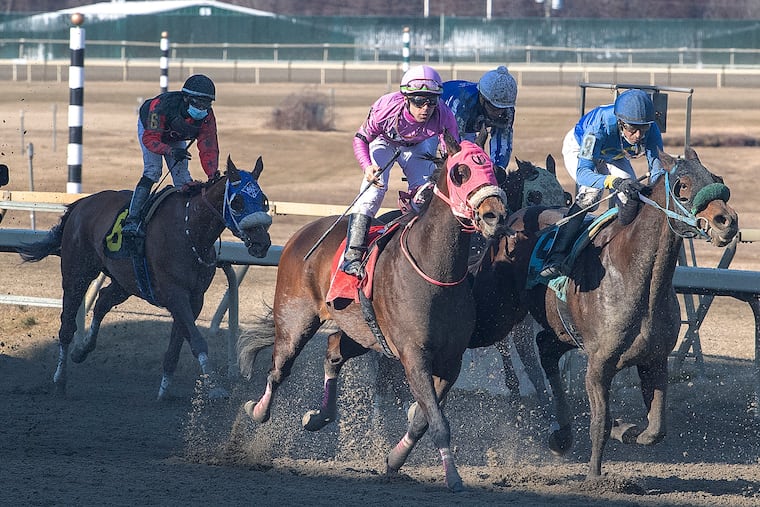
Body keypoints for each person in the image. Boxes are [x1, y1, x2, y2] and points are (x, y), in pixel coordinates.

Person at [340, 64, 460, 276]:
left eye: (431, 101)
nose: (425, 108)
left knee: (426, 194)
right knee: (374, 192)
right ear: (406, 98)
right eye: (418, 101)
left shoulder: (444, 115)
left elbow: (453, 152)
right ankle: (352, 255)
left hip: (419, 146)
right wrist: (368, 167)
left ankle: (416, 244)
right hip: (383, 142)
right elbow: (360, 139)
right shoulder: (386, 108)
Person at [540, 88, 665, 278]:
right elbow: (584, 173)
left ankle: (627, 250)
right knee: (591, 195)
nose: (639, 135)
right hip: (580, 149)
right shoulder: (597, 128)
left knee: (631, 193)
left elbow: (657, 170)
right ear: (621, 122)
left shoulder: (651, 128)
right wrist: (612, 181)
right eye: (632, 128)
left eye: (644, 128)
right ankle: (556, 256)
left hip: (613, 154)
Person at [122, 74, 220, 239]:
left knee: (183, 179)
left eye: (207, 103)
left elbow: (209, 148)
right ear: (186, 99)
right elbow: (150, 139)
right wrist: (171, 151)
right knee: (153, 171)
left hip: (175, 135)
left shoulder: (207, 117)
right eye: (198, 103)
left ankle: (185, 221)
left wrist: (212, 175)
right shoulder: (160, 106)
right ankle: (132, 219)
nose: (202, 108)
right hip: (151, 131)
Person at [440, 65, 517, 171]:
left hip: (468, 124)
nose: (498, 112)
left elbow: (503, 142)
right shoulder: (463, 103)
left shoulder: (507, 111)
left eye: (502, 108)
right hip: (440, 121)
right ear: (482, 98)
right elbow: (452, 141)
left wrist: (498, 169)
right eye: (493, 107)